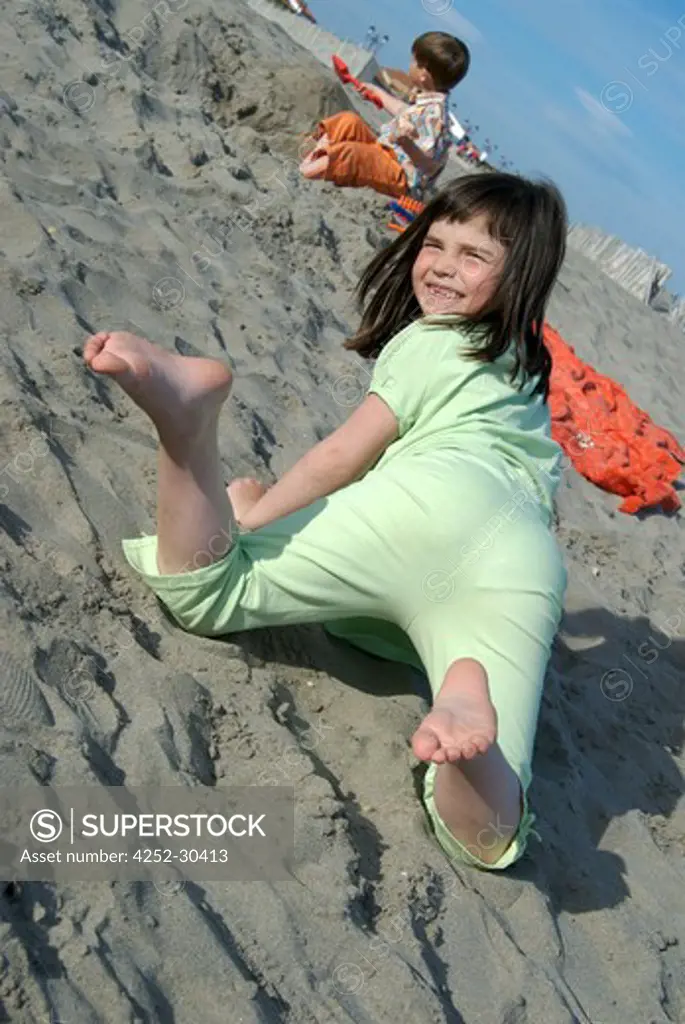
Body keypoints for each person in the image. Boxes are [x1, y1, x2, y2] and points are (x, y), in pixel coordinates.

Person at [82, 171, 568, 871]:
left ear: (518, 274)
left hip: (426, 505)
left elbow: (345, 454)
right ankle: (467, 690)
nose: (440, 268)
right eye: (436, 244)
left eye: (473, 256)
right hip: (521, 562)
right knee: (492, 832)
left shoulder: (435, 340)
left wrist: (252, 521)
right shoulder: (523, 372)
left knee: (211, 589)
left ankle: (186, 424)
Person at [299, 32, 470, 199]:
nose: (409, 64)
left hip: (401, 176)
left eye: (414, 61)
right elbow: (402, 110)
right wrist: (377, 94)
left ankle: (307, 172)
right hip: (385, 153)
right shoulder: (427, 103)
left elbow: (429, 165)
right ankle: (316, 154)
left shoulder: (436, 116)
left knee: (354, 154)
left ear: (423, 74)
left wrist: (406, 143)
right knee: (348, 121)